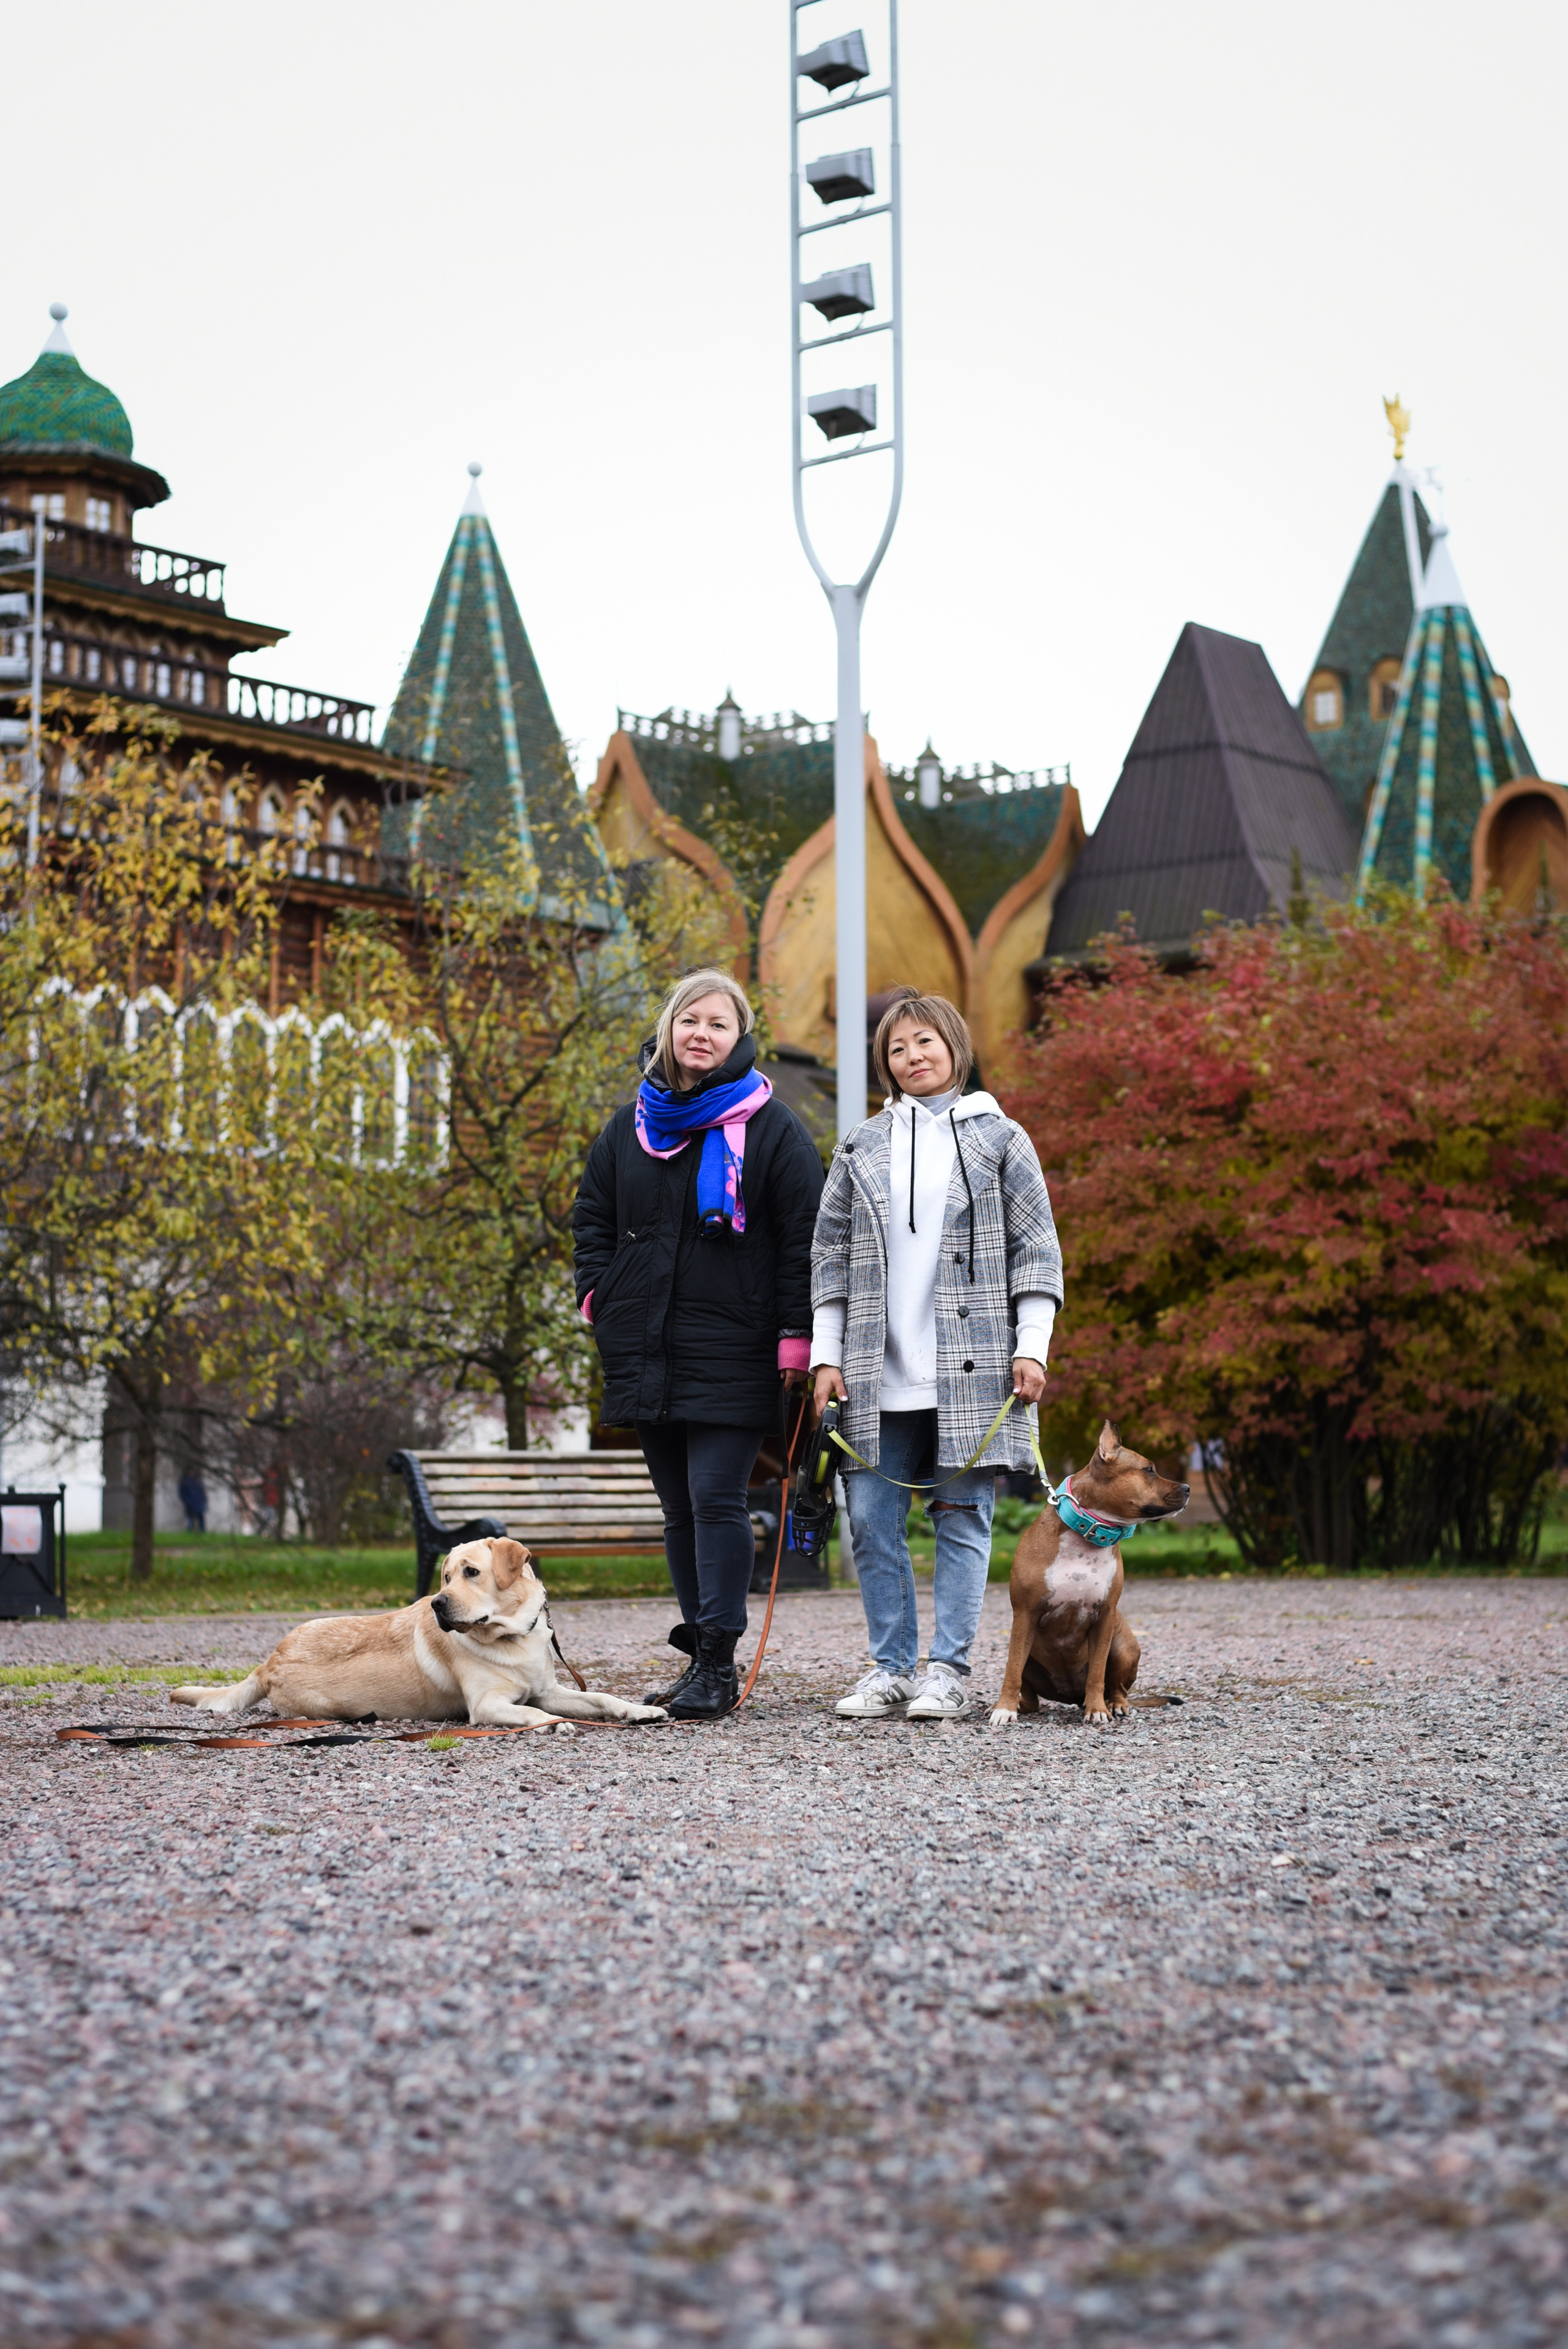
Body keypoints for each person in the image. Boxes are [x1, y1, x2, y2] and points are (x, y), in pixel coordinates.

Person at [573, 969, 824, 1719]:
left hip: (738, 1345)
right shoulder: (631, 1127)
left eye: (718, 1024)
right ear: (669, 1030)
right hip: (647, 1342)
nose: (702, 1035)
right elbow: (591, 1216)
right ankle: (696, 1661)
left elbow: (802, 1241)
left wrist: (795, 1339)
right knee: (677, 1506)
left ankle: (718, 1661)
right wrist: (598, 1295)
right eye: (690, 1021)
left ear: (738, 1036)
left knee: (715, 1498)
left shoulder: (773, 1128)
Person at [810, 993, 1062, 1720]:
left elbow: (1036, 1249)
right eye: (896, 1048)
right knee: (871, 1519)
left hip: (976, 1365)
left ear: (954, 1045)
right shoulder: (860, 1145)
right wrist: (826, 1354)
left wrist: (1032, 1344)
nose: (912, 1057)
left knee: (963, 1515)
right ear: (884, 1063)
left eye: (924, 1041)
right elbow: (828, 1256)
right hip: (871, 1372)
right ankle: (889, 1666)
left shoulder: (1002, 1138)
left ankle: (946, 1672)